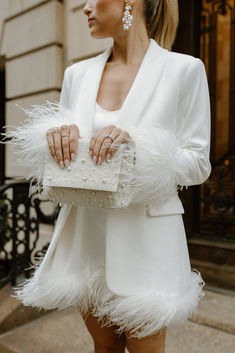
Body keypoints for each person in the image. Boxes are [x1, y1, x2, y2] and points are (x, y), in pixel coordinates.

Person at [0, 0, 212, 352]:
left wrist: (139, 147)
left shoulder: (184, 70)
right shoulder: (77, 75)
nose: (85, 8)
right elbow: (68, 157)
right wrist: (55, 137)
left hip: (149, 238)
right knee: (105, 348)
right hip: (86, 232)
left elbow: (198, 163)